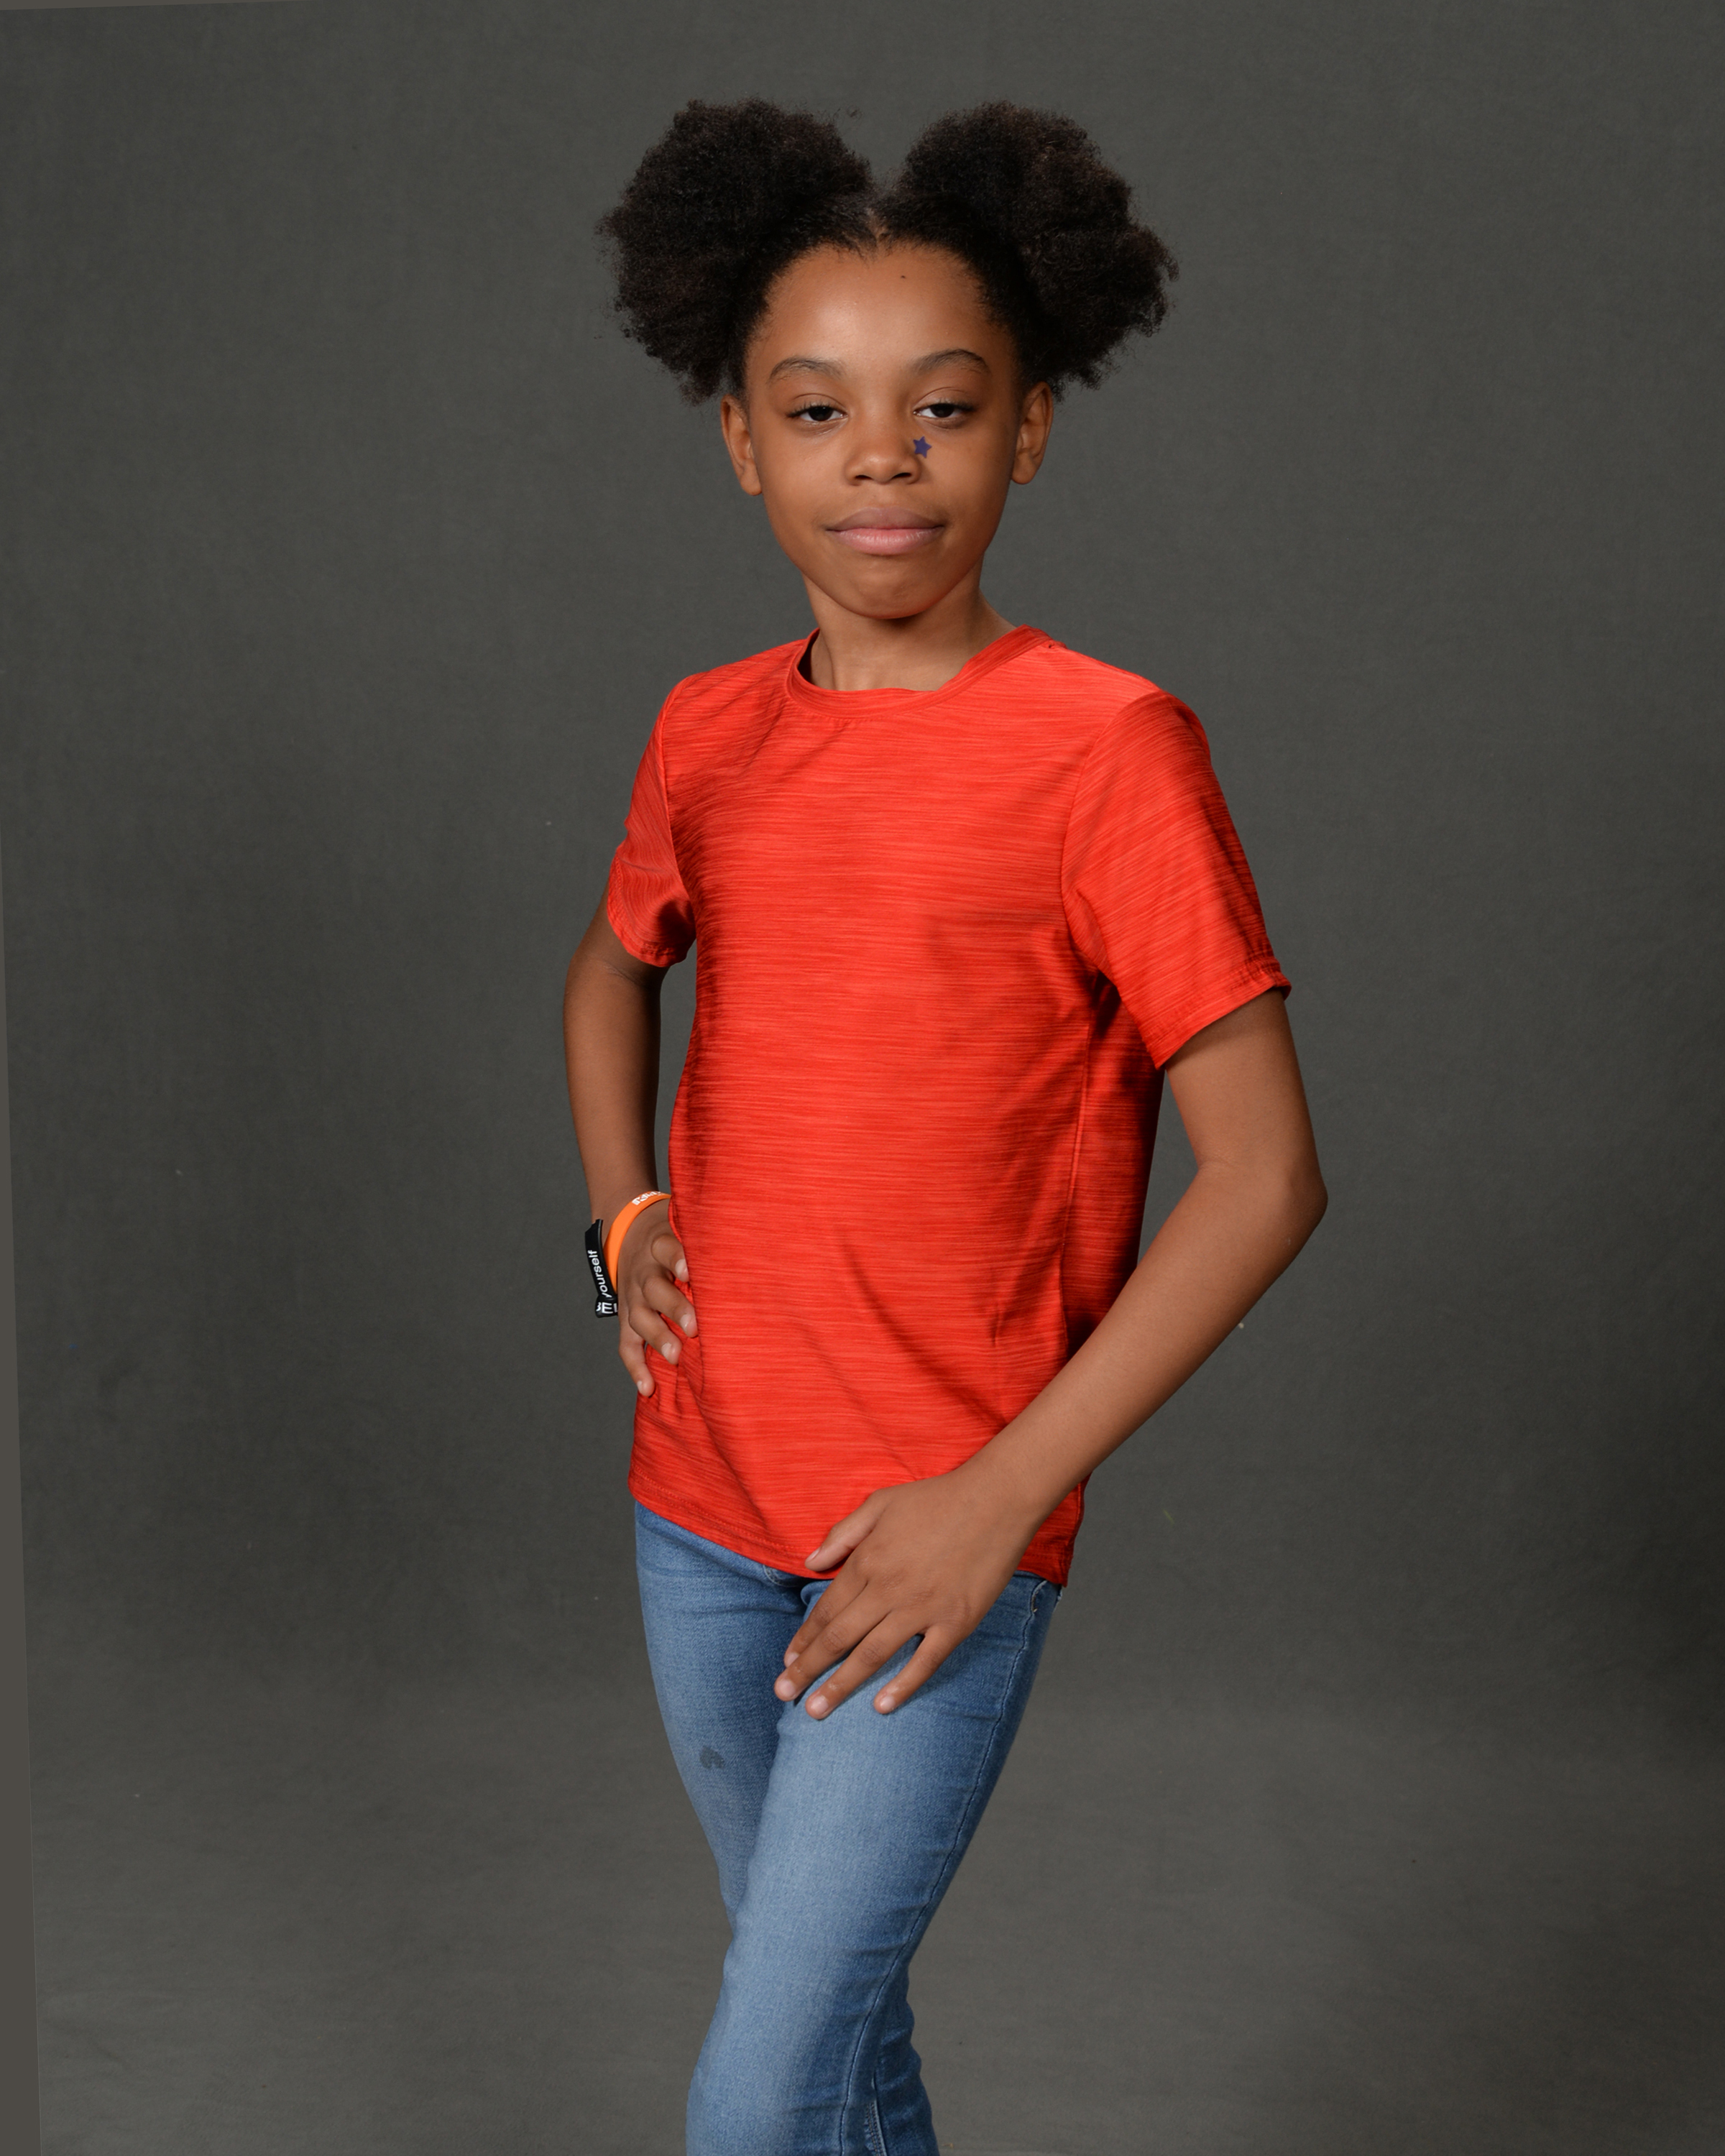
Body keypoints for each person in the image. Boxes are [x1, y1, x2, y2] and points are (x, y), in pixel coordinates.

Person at [564, 98, 1327, 2156]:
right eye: (819, 410)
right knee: (838, 2041)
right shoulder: (709, 733)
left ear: (1032, 431)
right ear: (743, 441)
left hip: (936, 1539)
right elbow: (609, 974)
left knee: (760, 2098)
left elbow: (1267, 1177)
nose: (882, 459)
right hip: (698, 1504)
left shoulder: (1108, 753)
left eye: (944, 408)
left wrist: (999, 1502)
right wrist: (623, 1214)